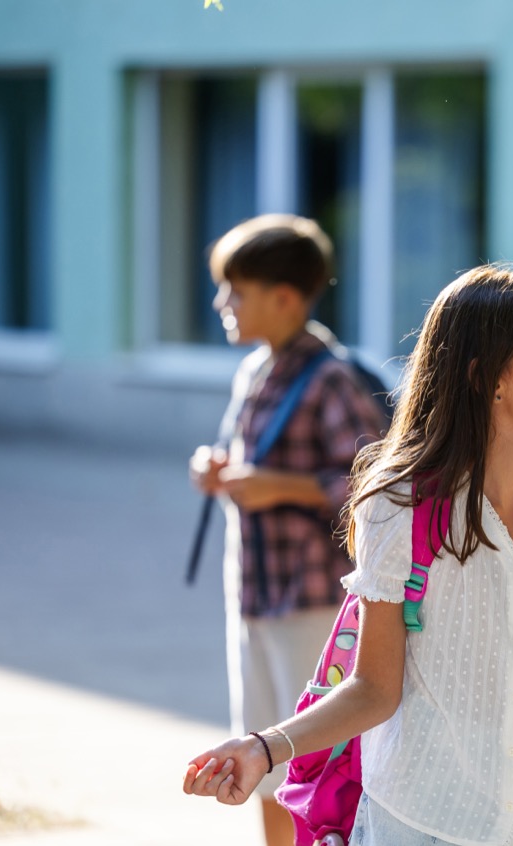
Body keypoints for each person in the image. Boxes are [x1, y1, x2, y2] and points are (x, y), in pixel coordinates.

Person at [184, 265, 513, 844]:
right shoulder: (400, 507)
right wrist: (264, 747)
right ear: (486, 377)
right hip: (422, 823)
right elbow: (375, 688)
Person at [187, 214, 389, 846]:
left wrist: (283, 487)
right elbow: (250, 456)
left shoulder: (332, 380)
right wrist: (218, 467)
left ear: (284, 299)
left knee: (312, 765)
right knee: (263, 763)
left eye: (236, 290)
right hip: (256, 598)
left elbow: (378, 486)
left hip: (315, 607)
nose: (222, 303)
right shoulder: (255, 370)